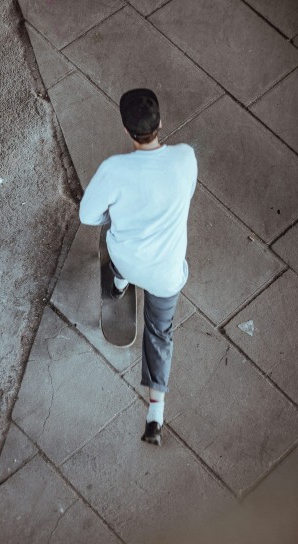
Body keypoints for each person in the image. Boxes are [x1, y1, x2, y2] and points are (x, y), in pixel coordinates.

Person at [79, 89, 197, 446]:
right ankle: (155, 412)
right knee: (160, 333)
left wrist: (111, 214)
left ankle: (118, 283)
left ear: (128, 131)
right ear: (160, 124)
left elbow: (88, 216)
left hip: (130, 258)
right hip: (165, 274)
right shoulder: (186, 158)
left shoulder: (114, 169)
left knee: (114, 243)